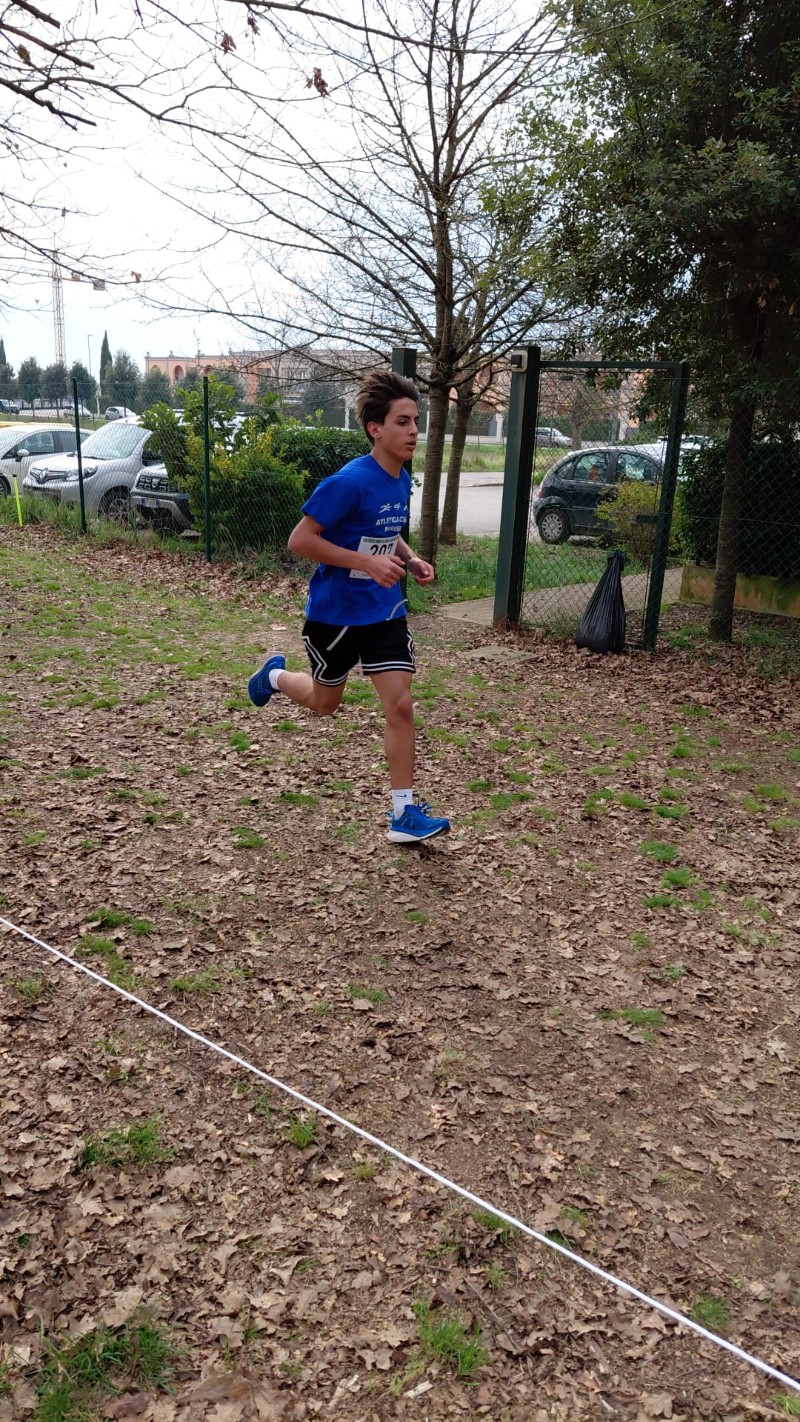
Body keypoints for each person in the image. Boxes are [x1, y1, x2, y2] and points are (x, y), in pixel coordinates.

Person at [248, 368, 451, 845]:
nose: (414, 431)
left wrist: (409, 558)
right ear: (375, 429)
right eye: (402, 422)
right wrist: (365, 562)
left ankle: (403, 813)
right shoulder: (348, 482)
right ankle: (274, 678)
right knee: (325, 704)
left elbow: (385, 532)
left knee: (401, 704)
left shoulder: (400, 479)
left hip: (383, 610)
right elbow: (300, 540)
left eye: (416, 421)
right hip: (335, 615)